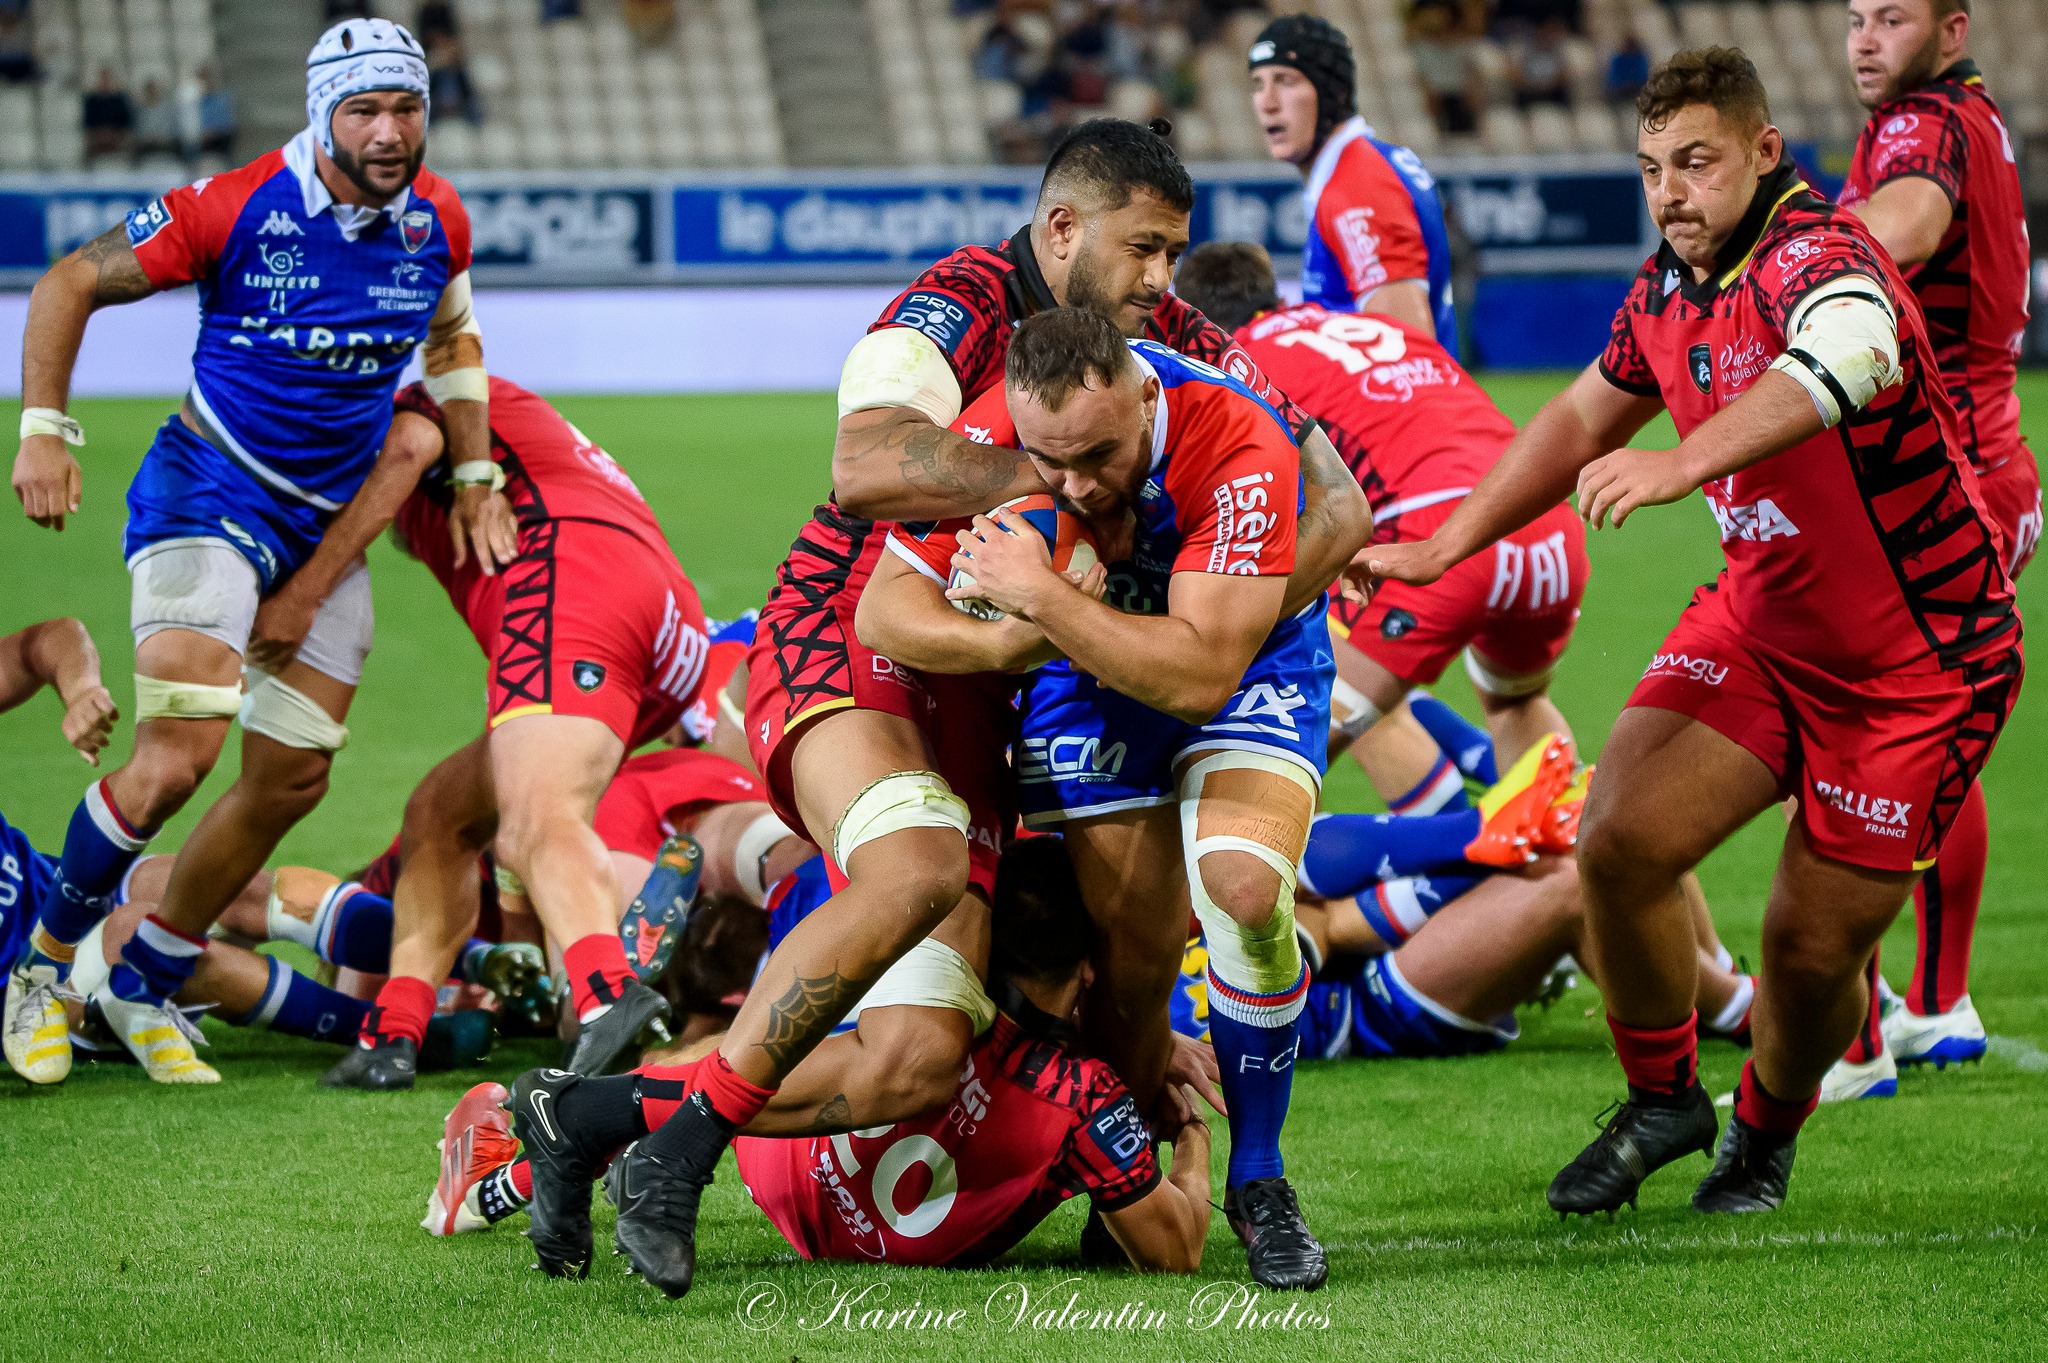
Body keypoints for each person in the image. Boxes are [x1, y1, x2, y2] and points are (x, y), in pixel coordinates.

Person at [585, 119, 1366, 1300]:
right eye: (1143, 249)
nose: (1164, 279)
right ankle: (676, 1147)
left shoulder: (1178, 346)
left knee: (948, 1035)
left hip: (1016, 669)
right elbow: (861, 467)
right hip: (857, 632)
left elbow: (1336, 506)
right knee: (915, 874)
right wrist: (1067, 474)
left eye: (1174, 252)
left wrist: (1221, 600)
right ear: (1061, 231)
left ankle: (590, 1110)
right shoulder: (958, 303)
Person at [1365, 48, 2022, 1216]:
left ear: (1765, 154)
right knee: (1613, 842)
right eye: (1650, 167)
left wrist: (1682, 457)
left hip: (1916, 664)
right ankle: (1663, 1096)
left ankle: (1762, 1141)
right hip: (1761, 619)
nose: (1668, 191)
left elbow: (1856, 351)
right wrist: (1439, 544)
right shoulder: (1667, 288)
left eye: (1695, 162)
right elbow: (1574, 414)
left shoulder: (1815, 253)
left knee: (1807, 951)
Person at [5, 18, 488, 1086]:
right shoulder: (232, 205)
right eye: (364, 109)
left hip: (323, 528)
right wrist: (46, 428)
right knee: (178, 758)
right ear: (321, 113)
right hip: (207, 493)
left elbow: (451, 336)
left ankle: (139, 981)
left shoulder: (436, 218)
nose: (390, 131)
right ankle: (41, 973)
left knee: (293, 780)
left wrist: (479, 467)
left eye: (406, 107)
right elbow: (67, 282)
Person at [874, 309, 1338, 1290]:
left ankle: (1258, 1177)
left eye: (1097, 455)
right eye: (1051, 461)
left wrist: (1037, 599)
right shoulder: (1000, 428)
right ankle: (1121, 1191)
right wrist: (1002, 641)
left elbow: (1198, 673)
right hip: (1083, 679)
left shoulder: (1235, 435)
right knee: (1128, 977)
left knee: (1244, 891)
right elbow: (884, 609)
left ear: (1142, 395)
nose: (1075, 485)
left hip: (1243, 655)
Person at [438, 837, 1216, 1273]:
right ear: (1088, 967)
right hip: (865, 1236)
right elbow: (1175, 1250)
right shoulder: (1087, 1094)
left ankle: (518, 1167)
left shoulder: (947, 976)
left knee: (766, 1056)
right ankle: (543, 1148)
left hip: (781, 1166)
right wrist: (1189, 1133)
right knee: (850, 1059)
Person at [317, 378, 714, 1089]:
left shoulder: (410, 410)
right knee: (442, 812)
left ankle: (605, 993)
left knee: (535, 819)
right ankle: (393, 1032)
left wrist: (303, 590)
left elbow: (408, 445)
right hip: (661, 619)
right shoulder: (512, 431)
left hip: (576, 580)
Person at [1823, 0, 2039, 1099]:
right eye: (1852, 17)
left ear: (1949, 27)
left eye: (1889, 17)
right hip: (1991, 463)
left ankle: (1850, 1041)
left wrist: (1787, 246)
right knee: (1926, 739)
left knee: (1844, 728)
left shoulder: (1923, 127)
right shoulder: (1969, 117)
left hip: (1935, 476)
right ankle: (1936, 1002)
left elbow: (1901, 226)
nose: (1862, 37)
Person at [1174, 240, 1588, 809]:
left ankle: (1458, 860)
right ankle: (1576, 866)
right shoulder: (1355, 325)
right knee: (1512, 704)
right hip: (1545, 529)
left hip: (1443, 540)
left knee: (1262, 760)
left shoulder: (1235, 362)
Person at [1249, 14, 1457, 351]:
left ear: (1333, 93)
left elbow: (1407, 358)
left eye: (1285, 81)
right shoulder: (1371, 164)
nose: (1267, 102)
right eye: (1258, 84)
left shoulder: (1359, 187)